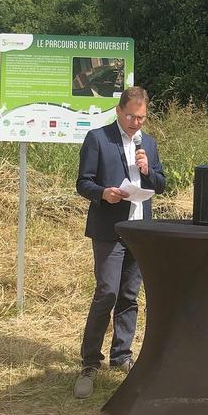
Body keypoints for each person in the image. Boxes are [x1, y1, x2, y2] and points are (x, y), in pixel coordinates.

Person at [73, 86, 166, 398]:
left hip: (140, 231)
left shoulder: (148, 144)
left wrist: (147, 169)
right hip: (109, 229)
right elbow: (83, 182)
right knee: (107, 292)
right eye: (131, 116)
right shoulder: (99, 139)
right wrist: (104, 193)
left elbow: (161, 184)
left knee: (129, 295)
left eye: (141, 118)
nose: (136, 123)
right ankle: (89, 362)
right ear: (118, 111)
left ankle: (121, 357)